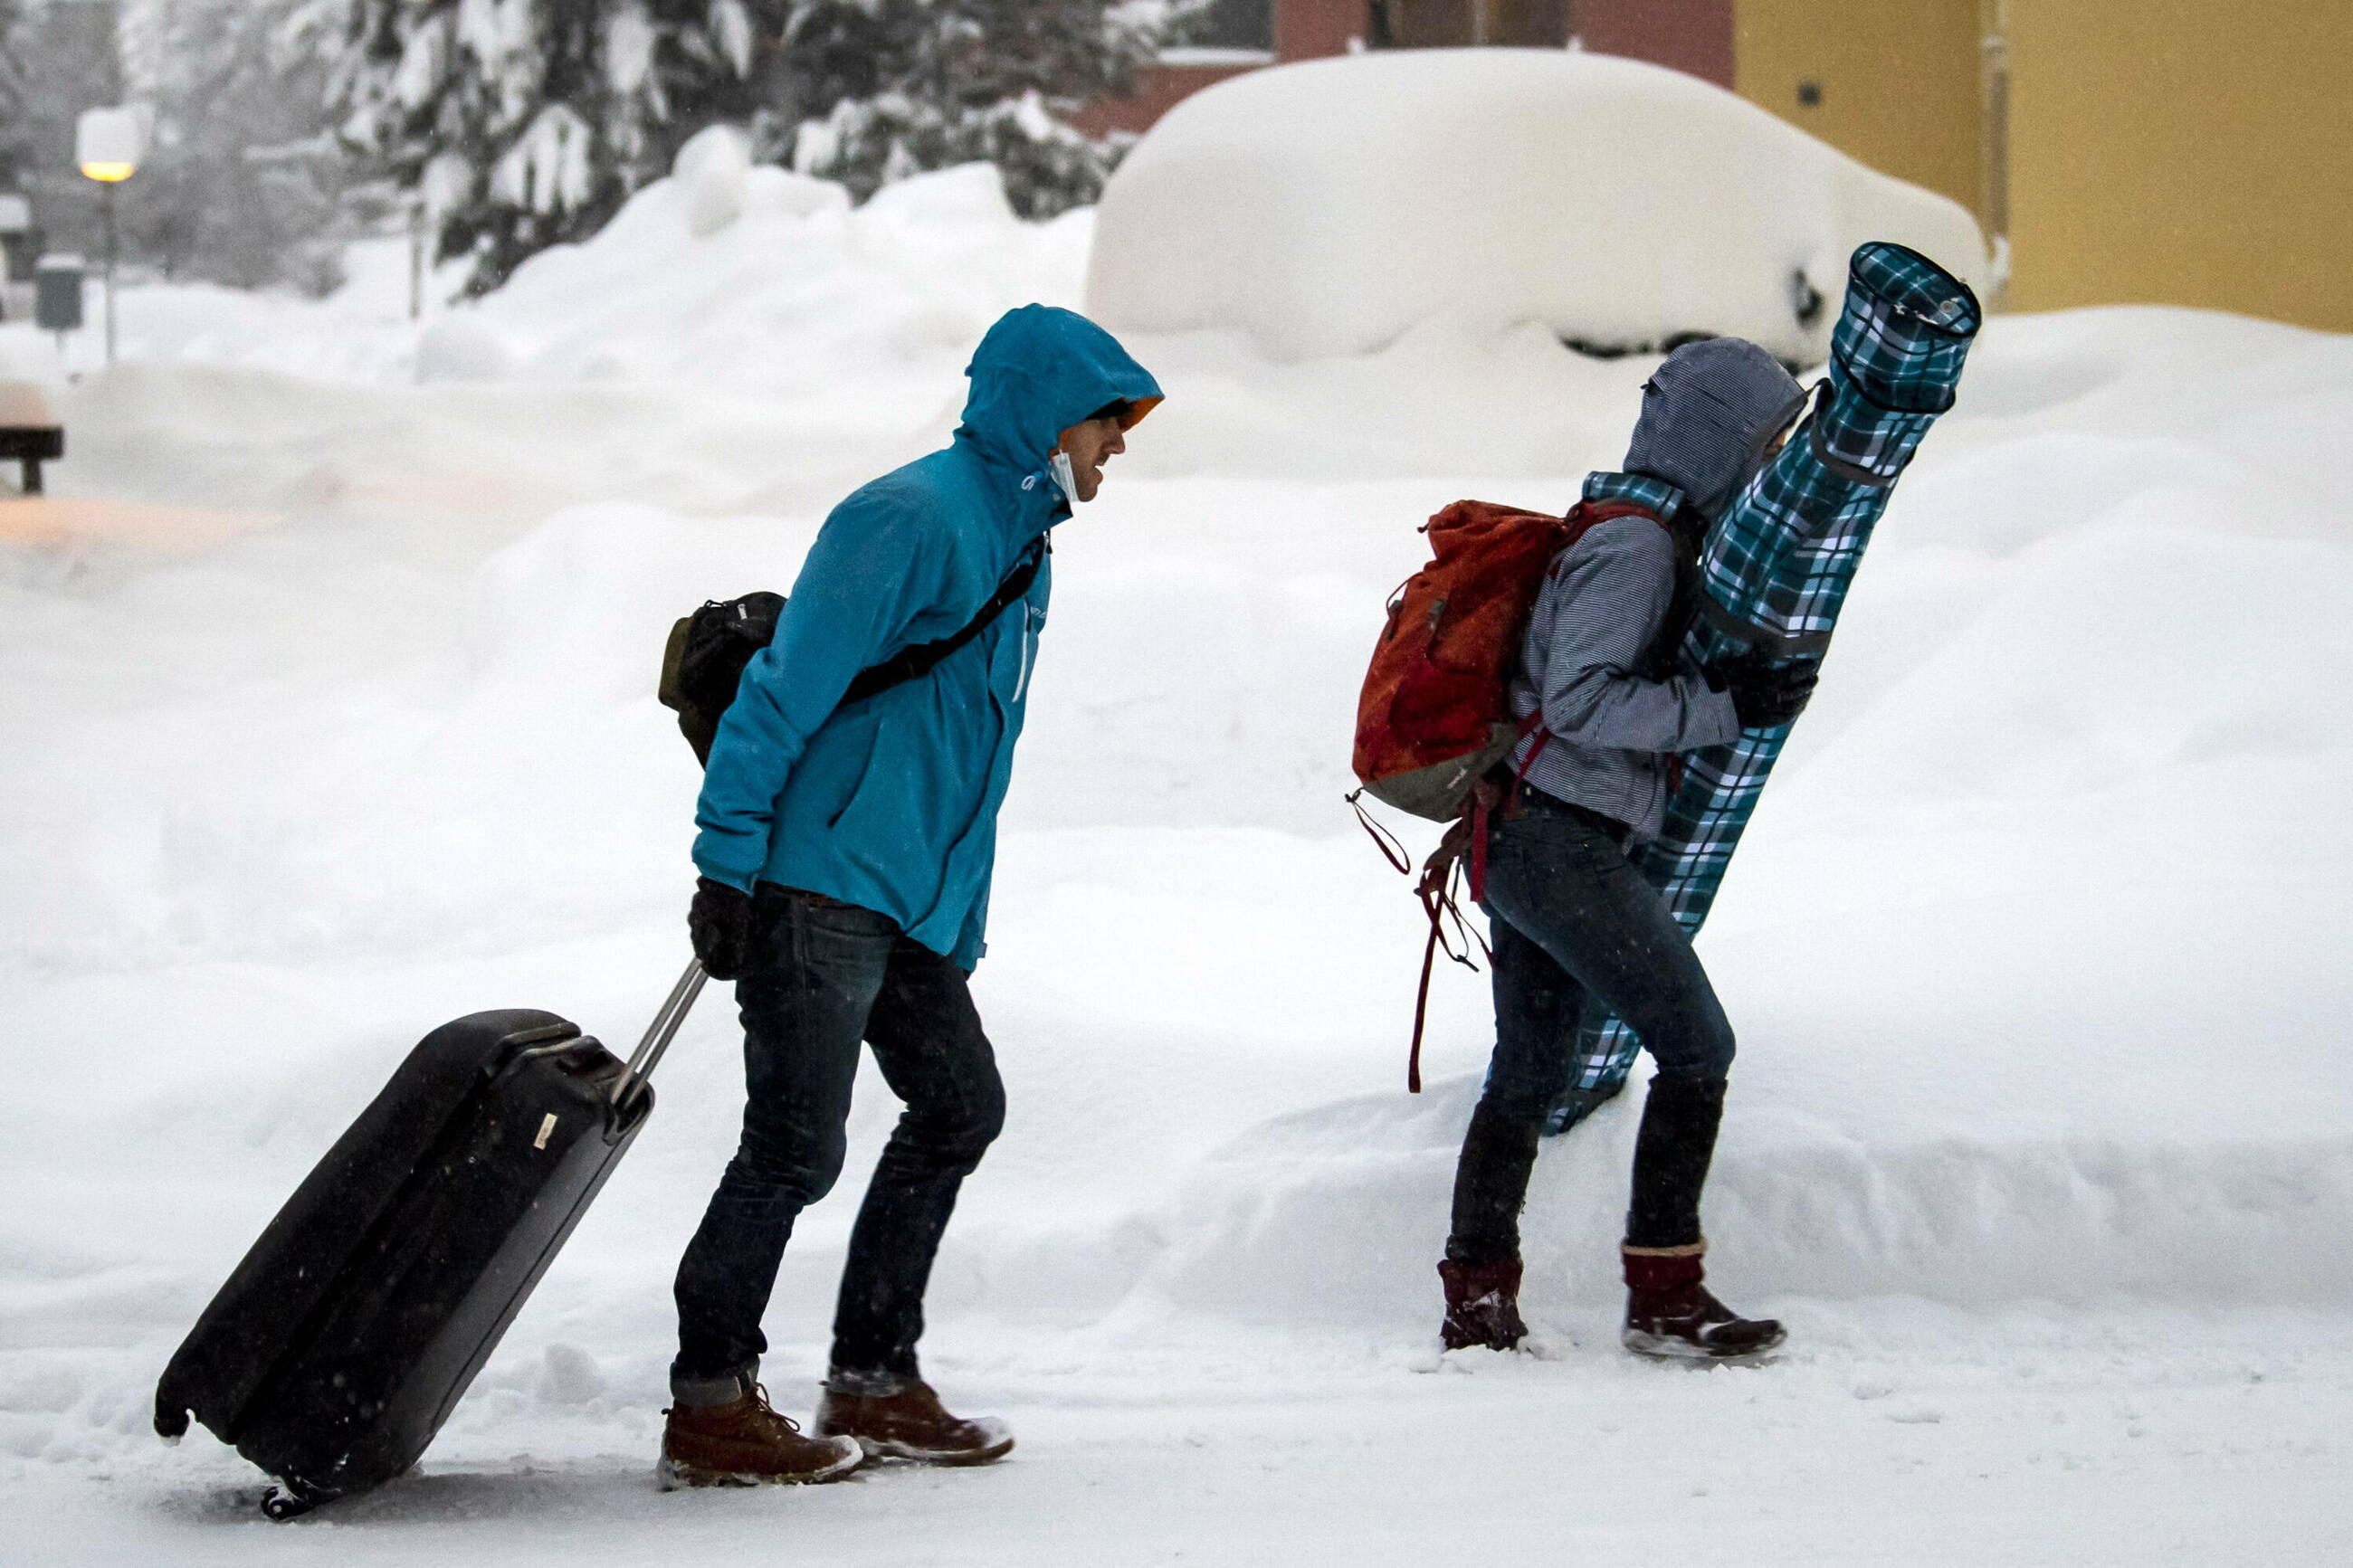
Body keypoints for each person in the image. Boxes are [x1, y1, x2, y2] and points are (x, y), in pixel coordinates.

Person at [659, 305, 1160, 1487]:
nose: (1119, 446)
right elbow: (781, 697)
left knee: (958, 1106)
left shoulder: (1023, 543)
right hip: (815, 879)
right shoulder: (909, 517)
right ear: (1046, 413)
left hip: (906, 901)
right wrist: (726, 867)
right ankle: (709, 1402)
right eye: (1108, 419)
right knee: (791, 1150)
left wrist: (961, 917)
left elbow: (971, 754)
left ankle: (874, 1380)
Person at [1437, 337, 1814, 1361]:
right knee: (1697, 1047)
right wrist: (1720, 706)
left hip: (1521, 833)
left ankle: (1475, 1301)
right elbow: (1581, 698)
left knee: (1525, 1070)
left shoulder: (1630, 530)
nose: (1770, 464)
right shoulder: (1635, 546)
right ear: (1720, 443)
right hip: (1555, 842)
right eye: (1766, 443)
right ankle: (1662, 1295)